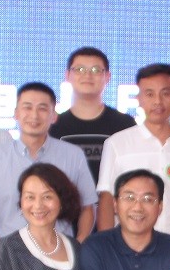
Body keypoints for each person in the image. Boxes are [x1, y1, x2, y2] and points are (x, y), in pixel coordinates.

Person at [97, 63, 170, 241]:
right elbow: (106, 198)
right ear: (139, 99)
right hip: (130, 245)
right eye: (150, 94)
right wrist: (106, 246)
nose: (158, 101)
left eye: (165, 93)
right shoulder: (117, 144)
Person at [0, 82, 96, 241]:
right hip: (10, 251)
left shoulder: (73, 155)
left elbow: (87, 207)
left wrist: (78, 246)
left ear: (54, 116)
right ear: (16, 113)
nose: (34, 115)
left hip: (60, 251)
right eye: (27, 107)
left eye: (42, 108)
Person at [49, 46, 136, 182]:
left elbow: (134, 173)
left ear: (108, 76)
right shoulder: (53, 125)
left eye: (96, 70)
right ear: (67, 76)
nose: (87, 75)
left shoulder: (125, 124)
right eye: (80, 69)